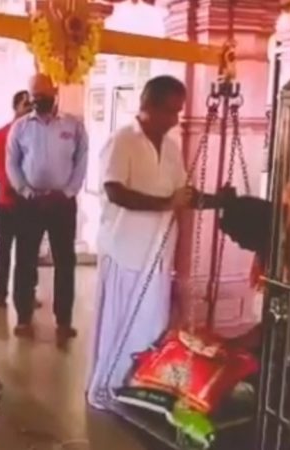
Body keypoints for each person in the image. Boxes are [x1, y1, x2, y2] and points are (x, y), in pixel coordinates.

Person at [86, 75, 225, 410]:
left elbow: (183, 195)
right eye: (170, 111)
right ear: (147, 106)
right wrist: (165, 204)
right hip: (126, 251)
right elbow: (115, 191)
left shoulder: (172, 148)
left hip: (159, 255)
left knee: (151, 326)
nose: (176, 119)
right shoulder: (123, 140)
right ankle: (108, 388)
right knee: (120, 325)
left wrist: (221, 202)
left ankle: (140, 390)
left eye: (178, 111)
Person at [6, 73, 89, 341]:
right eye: (35, 95)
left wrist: (68, 192)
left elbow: (81, 160)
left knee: (65, 262)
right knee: (25, 261)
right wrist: (25, 191)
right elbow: (12, 164)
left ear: (55, 93)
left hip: (62, 204)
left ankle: (64, 321)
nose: (39, 99)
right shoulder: (20, 127)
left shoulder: (73, 125)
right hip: (30, 203)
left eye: (44, 94)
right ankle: (23, 318)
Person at [0, 90, 37, 309]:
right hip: (8, 202)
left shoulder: (38, 134)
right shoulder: (0, 135)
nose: (30, 109)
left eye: (32, 105)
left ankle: (28, 294)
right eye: (26, 105)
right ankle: (1, 293)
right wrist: (20, 188)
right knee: (5, 249)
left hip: (32, 203)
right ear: (15, 107)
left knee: (28, 253)